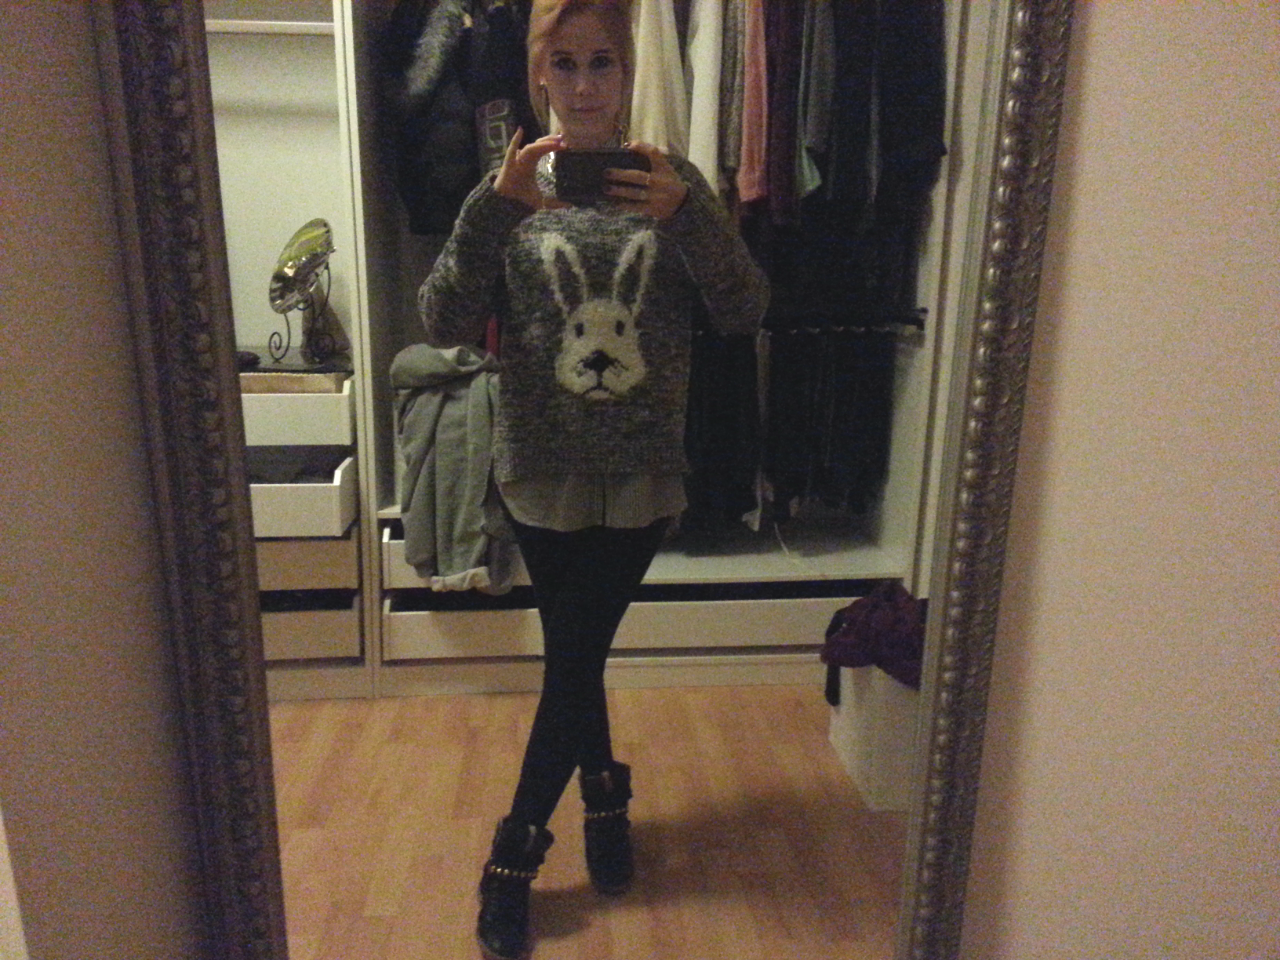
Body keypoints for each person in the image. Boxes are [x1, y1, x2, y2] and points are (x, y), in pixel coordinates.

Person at [416, 2, 768, 956]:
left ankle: (516, 852)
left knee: (573, 657)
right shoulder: (508, 185)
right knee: (579, 657)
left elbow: (743, 309)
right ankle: (603, 800)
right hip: (541, 468)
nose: (582, 86)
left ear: (627, 71)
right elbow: (444, 319)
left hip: (643, 470)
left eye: (601, 62)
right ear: (538, 74)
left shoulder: (669, 181)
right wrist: (495, 210)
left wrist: (688, 217)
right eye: (564, 64)